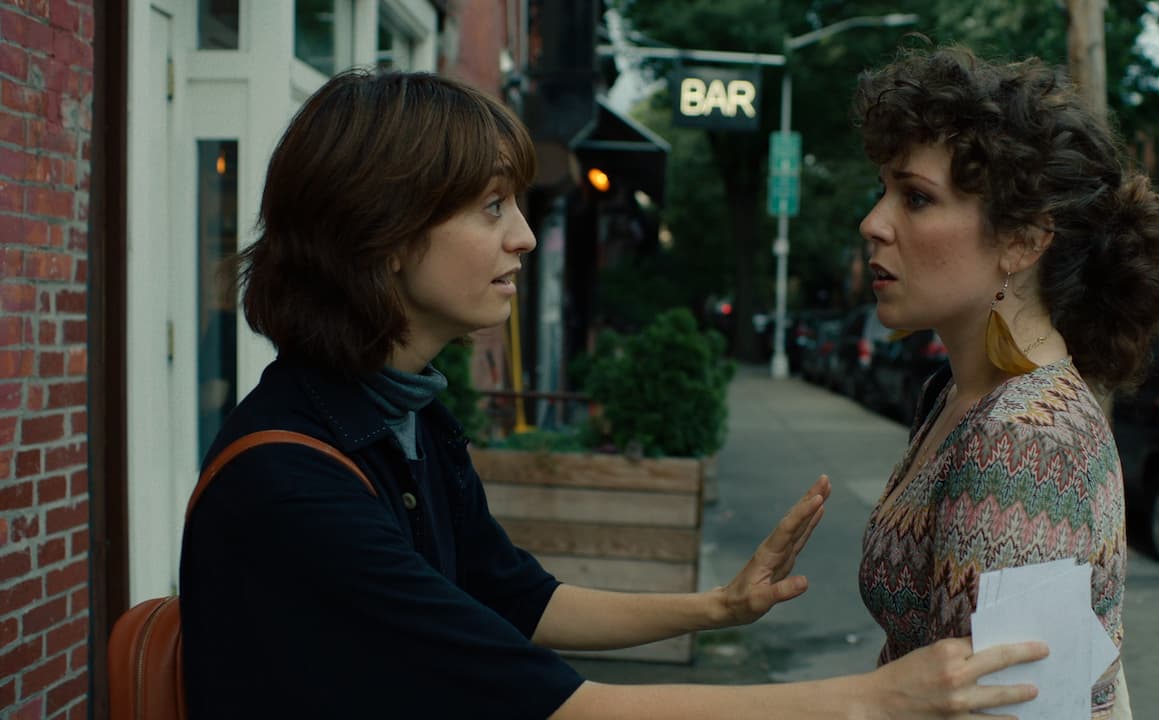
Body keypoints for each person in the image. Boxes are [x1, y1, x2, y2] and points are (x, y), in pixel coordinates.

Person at [179, 68, 1048, 720]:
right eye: (491, 207)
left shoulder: (406, 417)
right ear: (386, 236)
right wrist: (872, 699)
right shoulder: (291, 488)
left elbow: (518, 599)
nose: (524, 236)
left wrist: (719, 607)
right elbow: (575, 709)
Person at [853, 45, 1159, 719]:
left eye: (916, 197)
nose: (873, 223)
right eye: (884, 190)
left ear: (1023, 241)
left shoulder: (1021, 445)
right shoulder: (955, 396)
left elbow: (1012, 708)